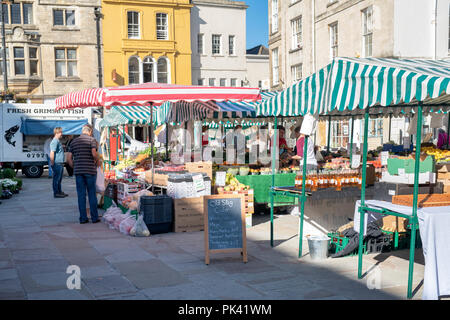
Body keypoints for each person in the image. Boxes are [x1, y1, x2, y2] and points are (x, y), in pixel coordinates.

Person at [66, 124, 101, 224]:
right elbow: (94, 153)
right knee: (91, 195)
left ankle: (83, 218)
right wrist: (97, 160)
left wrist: (75, 166)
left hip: (79, 172)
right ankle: (94, 218)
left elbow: (68, 159)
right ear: (90, 132)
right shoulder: (91, 140)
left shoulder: (73, 141)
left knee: (81, 195)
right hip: (90, 171)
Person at [49, 127, 67, 198]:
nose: (62, 134)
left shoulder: (57, 141)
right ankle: (56, 193)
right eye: (61, 132)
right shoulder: (55, 141)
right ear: (57, 133)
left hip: (59, 163)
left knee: (59, 179)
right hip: (57, 163)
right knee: (56, 179)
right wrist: (52, 163)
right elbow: (52, 153)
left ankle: (59, 191)